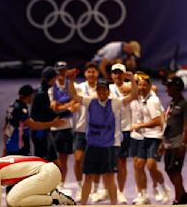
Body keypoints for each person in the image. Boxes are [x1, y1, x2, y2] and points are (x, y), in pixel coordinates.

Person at [67, 68, 138, 205]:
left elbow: (133, 96)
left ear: (108, 91)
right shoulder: (90, 102)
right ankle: (83, 204)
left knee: (110, 177)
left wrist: (133, 81)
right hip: (92, 146)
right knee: (88, 176)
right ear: (96, 91)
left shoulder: (115, 102)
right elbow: (74, 96)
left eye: (104, 90)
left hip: (108, 147)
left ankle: (113, 204)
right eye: (99, 90)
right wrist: (71, 80)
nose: (101, 92)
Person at [0, 155, 76, 206]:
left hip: (48, 173)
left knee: (12, 199)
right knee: (17, 200)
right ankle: (52, 197)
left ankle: (53, 198)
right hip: (48, 171)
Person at [130, 73, 171, 204]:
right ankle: (143, 195)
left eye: (144, 85)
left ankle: (164, 188)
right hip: (144, 137)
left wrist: (139, 125)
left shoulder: (153, 100)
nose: (141, 87)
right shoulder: (142, 98)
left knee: (151, 165)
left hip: (155, 137)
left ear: (149, 86)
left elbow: (157, 121)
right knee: (139, 164)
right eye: (139, 85)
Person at [3, 84, 65, 156]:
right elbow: (33, 125)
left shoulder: (12, 106)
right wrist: (52, 124)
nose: (33, 97)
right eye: (32, 95)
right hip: (19, 146)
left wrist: (6, 145)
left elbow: (5, 127)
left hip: (11, 144)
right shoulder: (20, 109)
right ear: (29, 96)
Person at [71, 62, 98, 202]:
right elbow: (72, 100)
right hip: (81, 128)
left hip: (96, 130)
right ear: (85, 74)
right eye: (89, 72)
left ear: (97, 74)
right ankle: (80, 186)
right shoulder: (79, 88)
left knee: (93, 160)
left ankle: (93, 187)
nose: (91, 74)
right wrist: (73, 106)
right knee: (78, 159)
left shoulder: (102, 88)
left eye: (93, 72)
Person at [48, 61, 77, 189]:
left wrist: (61, 106)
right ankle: (51, 183)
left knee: (64, 159)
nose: (61, 73)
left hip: (66, 127)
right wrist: (67, 106)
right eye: (59, 71)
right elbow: (53, 108)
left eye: (63, 70)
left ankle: (61, 184)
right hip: (53, 128)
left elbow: (75, 103)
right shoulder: (51, 87)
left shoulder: (70, 86)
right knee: (52, 160)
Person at [159, 76, 187, 204]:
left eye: (169, 86)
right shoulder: (171, 103)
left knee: (175, 170)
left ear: (177, 87)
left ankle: (178, 198)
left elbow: (186, 125)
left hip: (178, 142)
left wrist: (183, 143)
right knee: (169, 170)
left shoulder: (184, 104)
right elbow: (167, 123)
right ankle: (183, 195)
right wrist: (162, 142)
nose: (167, 89)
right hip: (168, 142)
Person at [108, 63, 133, 204]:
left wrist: (131, 83)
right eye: (115, 73)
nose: (117, 75)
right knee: (107, 162)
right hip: (109, 131)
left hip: (124, 129)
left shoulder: (130, 87)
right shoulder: (107, 88)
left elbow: (152, 87)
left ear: (124, 74)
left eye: (120, 73)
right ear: (111, 75)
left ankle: (121, 192)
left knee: (122, 162)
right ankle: (106, 189)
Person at [30, 66, 57, 159]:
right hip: (40, 131)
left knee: (52, 158)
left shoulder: (39, 90)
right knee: (42, 160)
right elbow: (47, 114)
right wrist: (67, 112)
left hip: (40, 130)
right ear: (52, 79)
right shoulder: (42, 94)